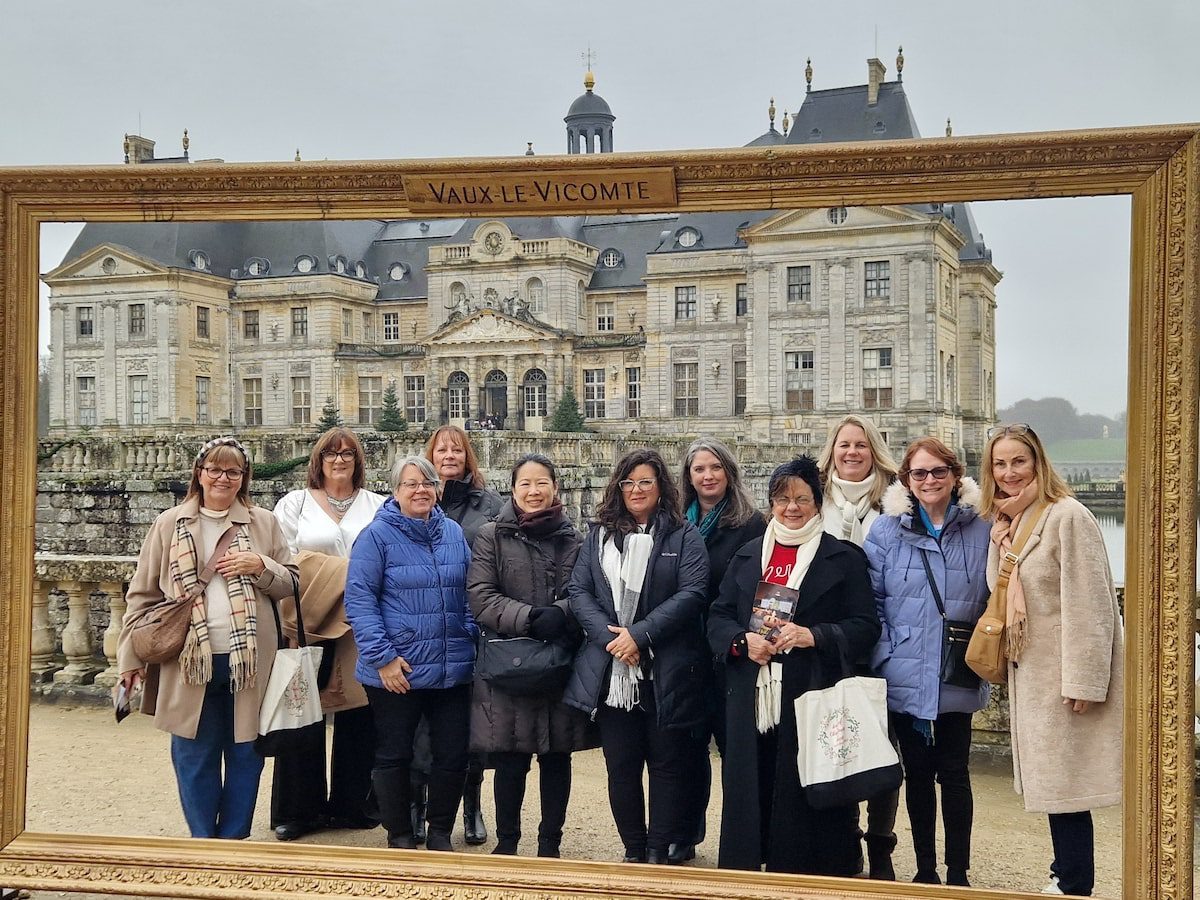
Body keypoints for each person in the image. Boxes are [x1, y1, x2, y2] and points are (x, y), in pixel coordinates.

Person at [117, 436, 297, 839]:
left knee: (246, 754)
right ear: (199, 474)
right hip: (186, 659)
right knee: (193, 755)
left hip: (248, 661)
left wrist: (260, 565)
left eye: (233, 471)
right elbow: (142, 595)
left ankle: (232, 841)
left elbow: (291, 583)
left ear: (244, 477)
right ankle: (203, 842)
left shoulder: (263, 522)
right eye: (214, 469)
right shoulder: (169, 523)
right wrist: (129, 660)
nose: (223, 478)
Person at [708, 455, 880, 875]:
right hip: (753, 691)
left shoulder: (843, 558)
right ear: (771, 503)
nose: (792, 507)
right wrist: (741, 641)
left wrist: (813, 635)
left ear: (817, 503)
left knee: (805, 787)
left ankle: (809, 871)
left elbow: (865, 627)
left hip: (811, 688)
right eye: (782, 499)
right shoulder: (748, 555)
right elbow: (718, 616)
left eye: (802, 498)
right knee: (753, 783)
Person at [979, 424, 1122, 897]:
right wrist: (1000, 544)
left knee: (1067, 786)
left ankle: (1073, 882)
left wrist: (1086, 680)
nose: (1009, 472)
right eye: (1000, 464)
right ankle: (1065, 873)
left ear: (1038, 462)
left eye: (1018, 461)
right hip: (1032, 672)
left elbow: (1093, 603)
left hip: (1061, 672)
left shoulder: (1068, 516)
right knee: (1055, 785)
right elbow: (1000, 592)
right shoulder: (1010, 522)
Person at [565, 448, 709, 864]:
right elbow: (579, 592)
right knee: (622, 766)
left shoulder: (683, 535)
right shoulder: (598, 536)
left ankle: (658, 850)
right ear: (618, 487)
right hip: (613, 671)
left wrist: (640, 635)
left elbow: (693, 592)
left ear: (661, 487)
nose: (636, 490)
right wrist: (612, 639)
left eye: (646, 481)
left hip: (665, 668)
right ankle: (633, 848)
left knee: (666, 764)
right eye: (628, 482)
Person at [863, 436, 991, 887]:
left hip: (957, 667)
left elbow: (996, 595)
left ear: (955, 476)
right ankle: (925, 870)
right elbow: (873, 601)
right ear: (907, 480)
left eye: (939, 471)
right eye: (919, 473)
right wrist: (888, 653)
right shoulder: (885, 530)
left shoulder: (984, 527)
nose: (930, 480)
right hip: (905, 669)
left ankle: (958, 873)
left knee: (955, 773)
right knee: (916, 774)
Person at [343, 455, 476, 851]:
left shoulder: (452, 532)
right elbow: (359, 600)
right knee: (395, 753)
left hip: (451, 665)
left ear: (438, 489)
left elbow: (469, 591)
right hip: (398, 668)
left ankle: (439, 832)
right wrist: (382, 658)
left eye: (427, 483)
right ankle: (399, 834)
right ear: (395, 491)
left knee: (453, 754)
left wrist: (468, 632)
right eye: (411, 484)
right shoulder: (376, 536)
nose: (420, 490)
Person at [467, 453, 594, 858]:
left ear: (555, 487)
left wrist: (562, 613)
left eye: (542, 483)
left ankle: (549, 843)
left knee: (557, 757)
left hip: (558, 659)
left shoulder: (574, 539)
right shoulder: (491, 536)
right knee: (509, 757)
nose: (534, 491)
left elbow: (587, 592)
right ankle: (507, 842)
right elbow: (481, 595)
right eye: (525, 483)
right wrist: (528, 618)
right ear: (513, 489)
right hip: (510, 659)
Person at [268, 427, 386, 841]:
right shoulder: (294, 503)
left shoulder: (377, 505)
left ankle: (354, 805)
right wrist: (344, 572)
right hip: (308, 618)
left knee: (359, 713)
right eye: (331, 454)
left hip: (360, 620)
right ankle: (298, 810)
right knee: (301, 711)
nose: (339, 460)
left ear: (358, 461)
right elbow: (283, 560)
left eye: (347, 454)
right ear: (318, 461)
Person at [817, 414, 902, 879]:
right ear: (832, 451)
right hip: (831, 637)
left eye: (861, 445)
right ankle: (845, 839)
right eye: (844, 445)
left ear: (875, 451)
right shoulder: (815, 498)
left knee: (886, 747)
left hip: (884, 636)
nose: (852, 452)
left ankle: (881, 844)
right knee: (838, 737)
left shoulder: (896, 501)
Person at [675, 437, 766, 864]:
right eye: (699, 469)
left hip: (731, 650)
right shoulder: (677, 521)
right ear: (688, 477)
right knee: (688, 749)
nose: (708, 476)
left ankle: (743, 839)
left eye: (715, 468)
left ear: (729, 473)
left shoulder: (752, 525)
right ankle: (685, 833)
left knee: (737, 751)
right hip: (687, 650)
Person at [412, 424, 503, 844]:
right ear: (429, 456)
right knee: (420, 726)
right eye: (441, 450)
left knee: (470, 725)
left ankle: (472, 806)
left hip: (471, 627)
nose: (449, 456)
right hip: (423, 626)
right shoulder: (414, 497)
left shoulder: (490, 504)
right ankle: (418, 805)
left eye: (457, 450)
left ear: (468, 457)